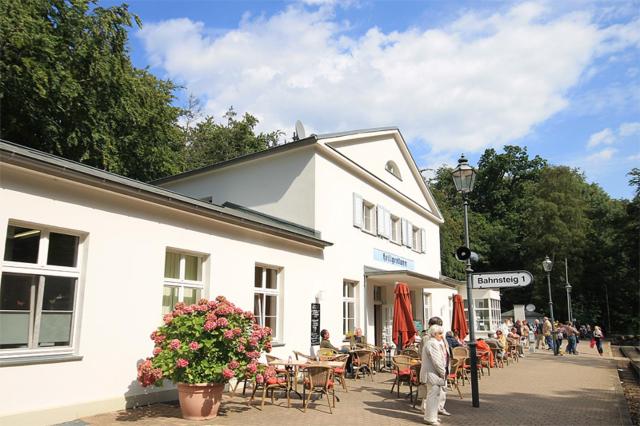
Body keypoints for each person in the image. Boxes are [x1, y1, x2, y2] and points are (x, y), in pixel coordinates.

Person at [421, 316, 451, 418]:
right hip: (433, 368)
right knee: (431, 390)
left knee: (443, 389)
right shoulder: (427, 338)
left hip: (444, 365)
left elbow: (446, 349)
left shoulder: (442, 336)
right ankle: (427, 410)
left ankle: (440, 408)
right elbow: (426, 352)